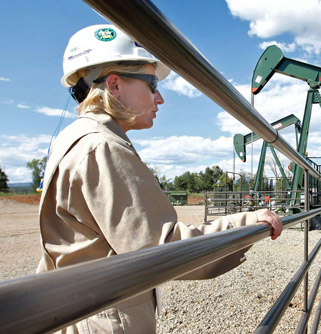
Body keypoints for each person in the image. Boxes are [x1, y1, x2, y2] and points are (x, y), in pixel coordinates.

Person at [37, 24, 283, 334]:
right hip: (105, 320)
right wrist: (249, 224)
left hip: (81, 309)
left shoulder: (74, 138)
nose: (160, 97)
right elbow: (162, 248)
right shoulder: (102, 146)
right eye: (152, 83)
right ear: (114, 85)